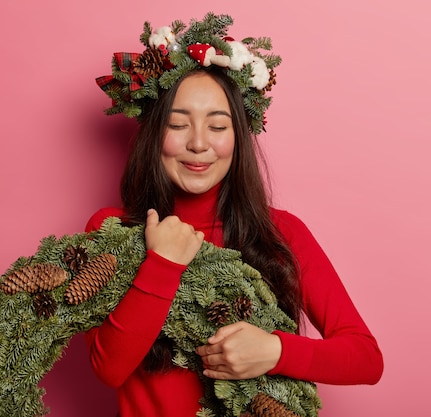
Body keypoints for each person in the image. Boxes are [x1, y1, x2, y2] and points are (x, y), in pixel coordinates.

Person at [86, 14, 383, 416]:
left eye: (217, 126)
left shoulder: (281, 232)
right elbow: (109, 368)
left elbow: (366, 358)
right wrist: (162, 264)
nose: (197, 144)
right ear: (155, 134)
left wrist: (275, 350)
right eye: (178, 124)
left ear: (238, 139)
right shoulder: (112, 230)